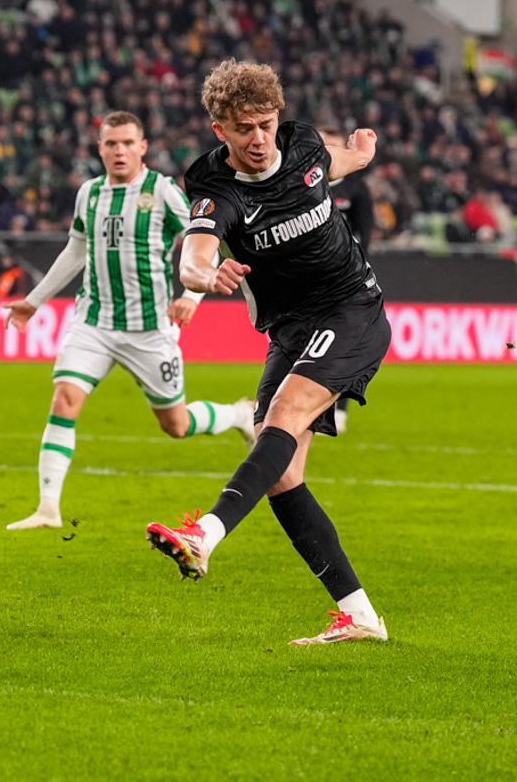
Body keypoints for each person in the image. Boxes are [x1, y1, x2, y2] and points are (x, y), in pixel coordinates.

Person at [145, 60, 391, 646]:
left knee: (281, 417)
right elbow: (195, 253)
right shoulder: (216, 188)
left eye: (266, 124)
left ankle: (205, 533)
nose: (259, 139)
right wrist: (204, 276)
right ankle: (359, 616)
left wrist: (361, 154)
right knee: (281, 474)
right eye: (244, 129)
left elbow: (334, 163)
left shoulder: (302, 144)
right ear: (220, 131)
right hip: (289, 330)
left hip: (351, 309)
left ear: (279, 118)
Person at [2, 110, 255, 531]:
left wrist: (192, 295)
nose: (119, 151)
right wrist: (33, 301)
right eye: (111, 144)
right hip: (94, 323)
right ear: (100, 149)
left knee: (176, 425)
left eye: (127, 143)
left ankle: (238, 415)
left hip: (150, 329)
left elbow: (204, 240)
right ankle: (48, 508)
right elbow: (75, 251)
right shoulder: (89, 194)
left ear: (142, 147)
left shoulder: (163, 192)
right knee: (64, 399)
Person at [321, 126, 374, 434]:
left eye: (332, 144)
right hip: (303, 274)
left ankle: (340, 406)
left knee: (346, 342)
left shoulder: (355, 186)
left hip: (343, 275)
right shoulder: (298, 180)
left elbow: (365, 231)